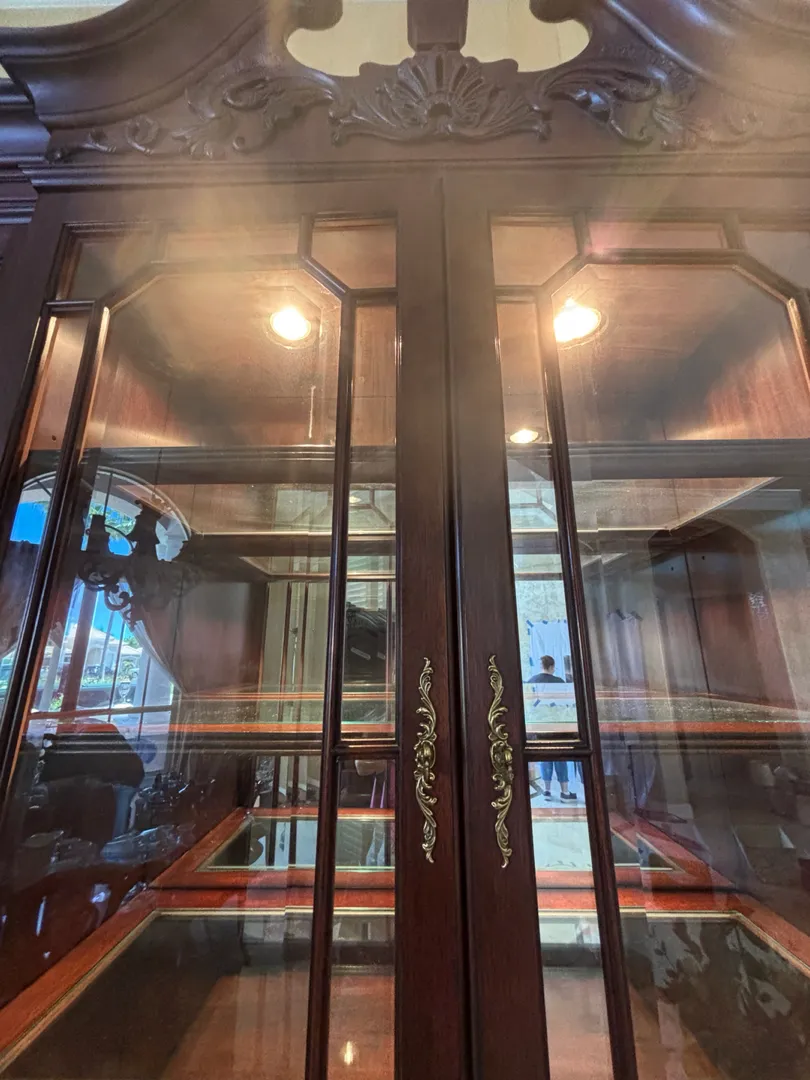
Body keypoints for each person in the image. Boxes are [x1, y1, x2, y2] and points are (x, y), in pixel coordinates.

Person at [528, 657, 577, 801]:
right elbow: (566, 704)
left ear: (541, 666)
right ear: (552, 667)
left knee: (544, 756)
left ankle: (547, 790)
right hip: (557, 725)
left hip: (539, 726)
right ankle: (565, 792)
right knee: (560, 756)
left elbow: (529, 705)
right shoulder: (559, 682)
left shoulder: (531, 681)